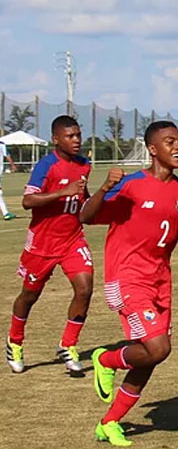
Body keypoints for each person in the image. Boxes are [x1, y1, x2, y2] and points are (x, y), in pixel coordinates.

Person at [81, 121, 178, 447]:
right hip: (126, 278)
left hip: (160, 281)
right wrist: (103, 188)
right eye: (170, 142)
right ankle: (105, 359)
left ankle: (109, 422)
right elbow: (86, 215)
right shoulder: (132, 185)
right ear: (152, 149)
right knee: (157, 347)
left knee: (151, 356)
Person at [6, 116, 93, 374]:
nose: (76, 140)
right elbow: (27, 201)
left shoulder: (85, 165)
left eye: (78, 135)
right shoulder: (46, 166)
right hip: (42, 244)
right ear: (56, 139)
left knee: (85, 287)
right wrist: (61, 193)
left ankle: (68, 344)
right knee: (30, 296)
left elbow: (83, 199)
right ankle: (15, 340)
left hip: (72, 239)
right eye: (70, 136)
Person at [0, 140, 18, 220]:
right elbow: (7, 155)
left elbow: (7, 155)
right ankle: (5, 213)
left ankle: (6, 213)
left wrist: (12, 165)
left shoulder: (1, 144)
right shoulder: (1, 144)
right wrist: (12, 165)